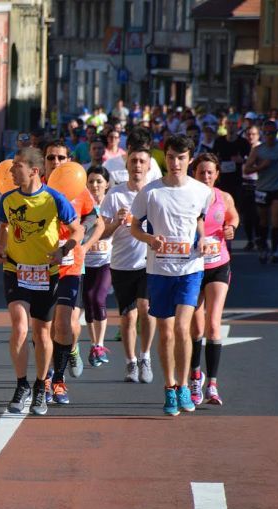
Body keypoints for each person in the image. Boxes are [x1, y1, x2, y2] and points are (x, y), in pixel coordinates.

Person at [0, 147, 81, 415]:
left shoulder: (54, 199)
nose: (11, 170)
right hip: (16, 270)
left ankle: (41, 386)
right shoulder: (7, 200)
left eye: (17, 165)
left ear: (33, 170)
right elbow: (3, 227)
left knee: (43, 332)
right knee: (20, 327)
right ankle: (22, 385)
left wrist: (64, 250)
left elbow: (77, 228)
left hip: (46, 272)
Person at [128, 135, 212, 415]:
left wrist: (202, 239)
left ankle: (186, 387)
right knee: (165, 333)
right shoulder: (150, 192)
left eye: (182, 158)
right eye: (172, 157)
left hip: (190, 269)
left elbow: (199, 221)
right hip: (159, 270)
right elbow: (134, 227)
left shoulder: (202, 191)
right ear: (165, 158)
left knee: (181, 328)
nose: (176, 163)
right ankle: (170, 387)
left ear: (190, 159)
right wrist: (149, 239)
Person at [44, 141, 102, 405]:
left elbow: (94, 219)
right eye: (51, 158)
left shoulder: (79, 188)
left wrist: (83, 242)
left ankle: (58, 379)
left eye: (61, 158)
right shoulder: (36, 189)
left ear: (69, 160)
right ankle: (45, 377)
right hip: (39, 267)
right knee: (44, 327)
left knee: (65, 324)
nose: (56, 162)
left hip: (71, 265)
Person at [100, 144, 157, 384]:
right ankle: (131, 362)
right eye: (133, 161)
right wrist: (115, 222)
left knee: (145, 309)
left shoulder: (155, 193)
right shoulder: (115, 194)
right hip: (122, 264)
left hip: (149, 263)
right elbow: (102, 233)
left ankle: (145, 357)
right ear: (127, 164)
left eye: (142, 161)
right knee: (128, 317)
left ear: (149, 165)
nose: (137, 166)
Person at [188, 153, 238, 406]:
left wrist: (231, 228)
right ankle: (195, 377)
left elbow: (233, 217)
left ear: (217, 174)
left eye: (210, 172)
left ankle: (213, 385)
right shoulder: (187, 196)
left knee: (214, 324)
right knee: (196, 328)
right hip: (193, 266)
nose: (206, 176)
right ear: (193, 173)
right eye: (201, 172)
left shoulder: (224, 197)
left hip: (219, 264)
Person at [244, 119, 278, 264]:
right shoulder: (258, 150)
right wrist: (260, 167)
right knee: (263, 220)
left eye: (273, 133)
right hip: (262, 188)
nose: (270, 136)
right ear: (263, 134)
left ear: (276, 133)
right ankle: (263, 247)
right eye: (267, 133)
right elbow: (246, 169)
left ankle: (274, 251)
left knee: (276, 220)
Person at [81, 165, 113, 367]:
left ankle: (100, 344)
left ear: (107, 184)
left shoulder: (111, 204)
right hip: (85, 261)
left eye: (99, 181)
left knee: (98, 297)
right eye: (91, 181)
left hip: (105, 260)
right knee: (88, 303)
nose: (95, 185)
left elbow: (110, 231)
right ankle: (94, 344)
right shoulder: (82, 205)